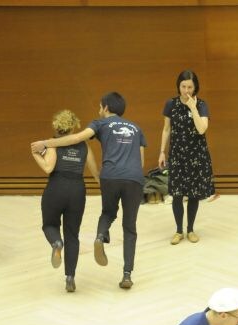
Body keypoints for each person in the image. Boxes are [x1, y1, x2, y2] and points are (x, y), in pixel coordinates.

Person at [31, 92, 146, 290]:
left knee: (101, 214)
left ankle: (79, 239)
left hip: (78, 182)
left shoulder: (95, 126)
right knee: (123, 228)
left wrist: (42, 147)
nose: (99, 110)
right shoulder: (134, 129)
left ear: (106, 108)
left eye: (100, 107)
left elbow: (62, 153)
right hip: (115, 182)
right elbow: (136, 162)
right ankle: (118, 275)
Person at [30, 110, 100, 293]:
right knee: (72, 235)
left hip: (56, 189)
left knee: (49, 225)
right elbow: (95, 172)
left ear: (57, 126)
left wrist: (36, 154)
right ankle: (70, 277)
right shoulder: (84, 146)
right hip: (77, 191)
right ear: (73, 126)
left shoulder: (52, 144)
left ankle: (55, 243)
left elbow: (48, 168)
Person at [159, 70, 215, 245]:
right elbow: (166, 129)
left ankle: (190, 229)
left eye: (190, 87)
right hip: (177, 154)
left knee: (193, 194)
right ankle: (178, 231)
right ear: (179, 86)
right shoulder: (171, 104)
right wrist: (161, 151)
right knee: (176, 194)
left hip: (197, 155)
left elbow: (202, 129)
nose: (186, 90)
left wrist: (193, 107)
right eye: (183, 86)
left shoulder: (202, 105)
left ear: (195, 87)